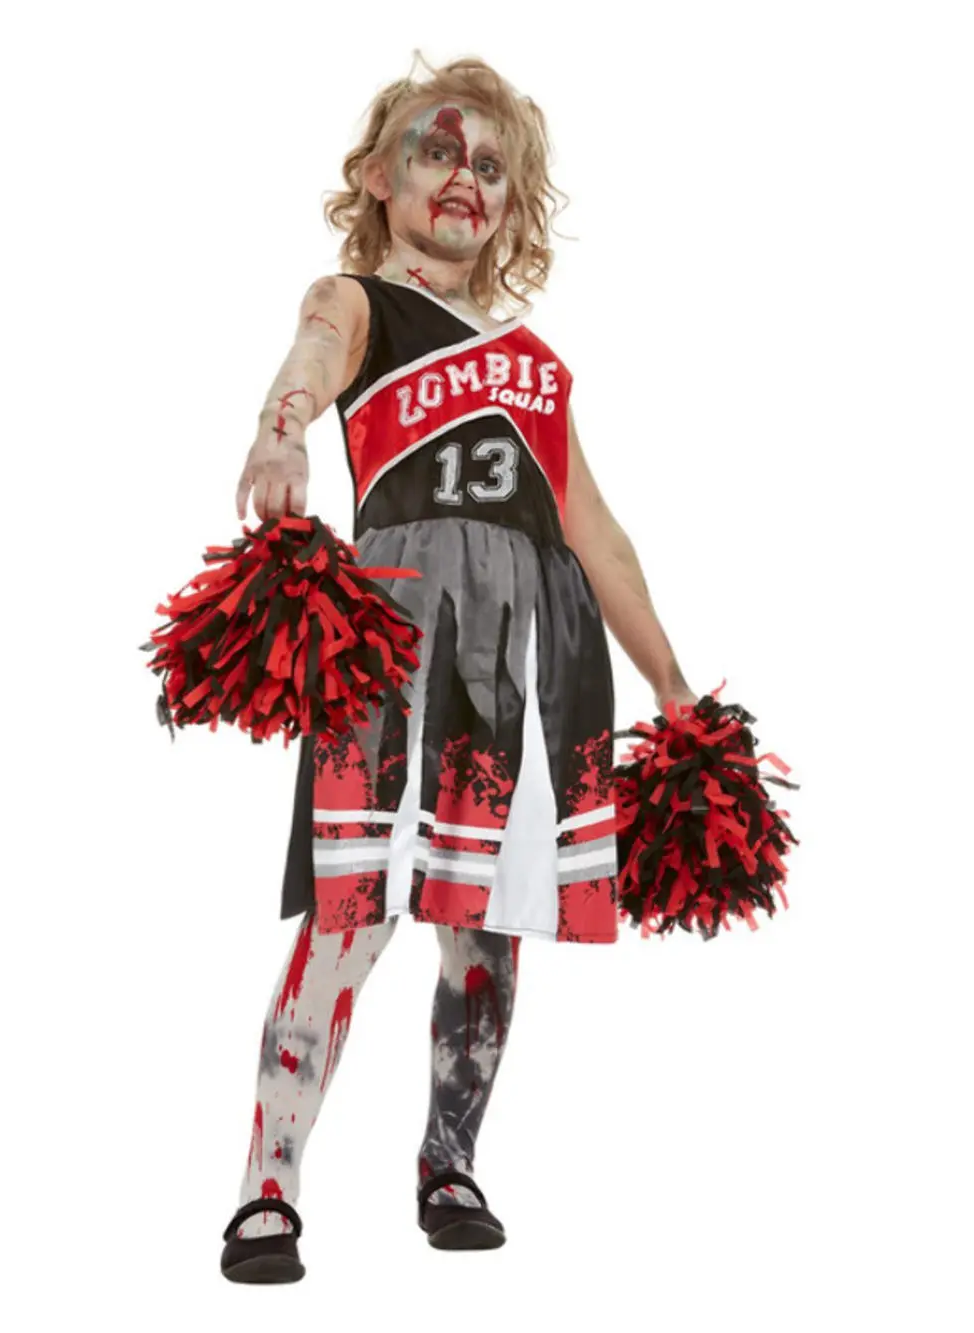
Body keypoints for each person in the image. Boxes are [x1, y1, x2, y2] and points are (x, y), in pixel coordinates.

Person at [221, 52, 697, 1284]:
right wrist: (281, 432)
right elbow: (308, 355)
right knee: (350, 915)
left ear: (512, 200)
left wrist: (672, 684)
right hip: (398, 642)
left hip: (526, 660)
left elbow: (597, 536)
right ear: (379, 178)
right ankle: (268, 1186)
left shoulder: (535, 364)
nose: (463, 178)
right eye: (436, 150)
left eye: (489, 164)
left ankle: (449, 1161)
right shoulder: (358, 300)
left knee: (485, 930)